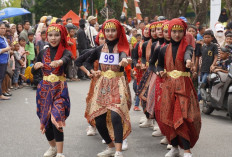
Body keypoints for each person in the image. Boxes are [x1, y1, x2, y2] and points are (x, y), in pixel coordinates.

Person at [83, 19, 131, 157]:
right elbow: (86, 61)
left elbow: (124, 55)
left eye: (113, 30)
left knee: (116, 116)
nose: (110, 33)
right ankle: (110, 147)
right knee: (99, 119)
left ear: (119, 32)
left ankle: (118, 151)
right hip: (102, 84)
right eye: (107, 31)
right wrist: (92, 71)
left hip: (118, 84)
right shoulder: (99, 49)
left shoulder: (123, 48)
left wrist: (124, 60)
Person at [157, 18, 201, 157]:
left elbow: (188, 55)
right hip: (169, 87)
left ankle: (187, 151)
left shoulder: (188, 47)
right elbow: (157, 65)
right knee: (169, 117)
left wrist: (188, 61)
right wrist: (160, 71)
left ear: (184, 33)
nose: (177, 34)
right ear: (170, 32)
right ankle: (174, 148)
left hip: (183, 87)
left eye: (180, 32)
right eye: (174, 31)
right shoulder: (163, 49)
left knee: (182, 117)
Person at [32, 24, 72, 157]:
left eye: (56, 35)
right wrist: (35, 67)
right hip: (44, 90)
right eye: (50, 35)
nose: (53, 38)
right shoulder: (43, 52)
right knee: (46, 119)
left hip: (59, 90)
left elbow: (67, 59)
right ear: (46, 36)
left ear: (61, 37)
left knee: (57, 117)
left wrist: (60, 62)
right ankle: (53, 147)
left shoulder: (65, 51)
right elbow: (33, 69)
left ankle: (60, 153)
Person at [132, 24, 151, 112]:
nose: (147, 31)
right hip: (139, 69)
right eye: (145, 29)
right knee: (136, 87)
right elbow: (134, 57)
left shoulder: (155, 43)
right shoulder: (138, 44)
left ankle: (147, 112)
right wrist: (136, 64)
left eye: (149, 29)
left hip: (151, 69)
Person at [196, 30, 218, 101]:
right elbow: (201, 58)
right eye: (205, 37)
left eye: (208, 37)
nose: (207, 39)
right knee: (201, 86)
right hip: (202, 69)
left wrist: (213, 65)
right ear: (203, 38)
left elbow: (216, 57)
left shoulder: (214, 46)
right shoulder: (203, 46)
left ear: (212, 38)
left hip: (209, 70)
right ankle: (202, 100)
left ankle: (197, 100)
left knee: (202, 85)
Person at [0, 22, 11, 100]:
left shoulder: (3, 37)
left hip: (4, 60)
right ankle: (0, 95)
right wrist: (5, 49)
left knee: (2, 78)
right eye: (1, 28)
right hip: (1, 61)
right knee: (0, 78)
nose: (3, 30)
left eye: (4, 28)